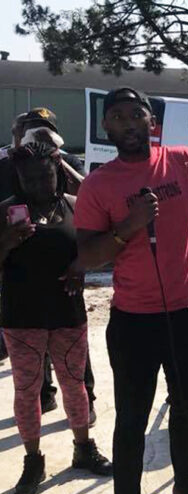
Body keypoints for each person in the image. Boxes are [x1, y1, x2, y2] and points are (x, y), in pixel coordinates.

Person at [73, 87, 188, 494]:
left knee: (187, 411)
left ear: (152, 122)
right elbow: (88, 256)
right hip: (134, 321)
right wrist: (128, 226)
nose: (129, 123)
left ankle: (186, 486)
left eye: (137, 114)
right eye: (118, 117)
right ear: (106, 126)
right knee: (132, 419)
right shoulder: (97, 185)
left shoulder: (182, 161)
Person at [0, 142, 112, 494]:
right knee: (27, 392)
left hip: (68, 316)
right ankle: (33, 460)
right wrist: (6, 243)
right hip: (21, 320)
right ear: (17, 177)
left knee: (75, 385)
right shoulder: (5, 213)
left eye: (44, 175)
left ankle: (83, 447)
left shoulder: (76, 208)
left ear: (58, 173)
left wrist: (83, 269)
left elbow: (97, 256)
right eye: (27, 177)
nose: (36, 184)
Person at [0, 109, 97, 422]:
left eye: (42, 131)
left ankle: (86, 406)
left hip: (66, 301)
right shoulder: (10, 164)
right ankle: (45, 397)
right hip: (22, 298)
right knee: (29, 375)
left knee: (76, 371)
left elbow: (87, 195)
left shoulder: (68, 163)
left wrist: (58, 159)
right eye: (28, 130)